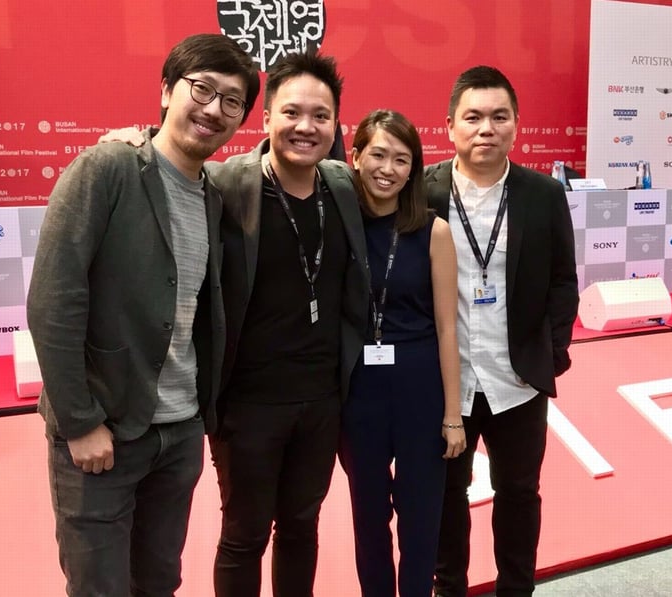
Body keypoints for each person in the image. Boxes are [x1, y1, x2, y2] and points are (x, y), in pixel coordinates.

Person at [26, 34, 260, 596]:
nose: (213, 109)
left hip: (179, 435)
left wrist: (198, 420)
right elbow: (53, 301)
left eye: (232, 101)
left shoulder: (212, 197)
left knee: (158, 582)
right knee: (100, 587)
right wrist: (80, 421)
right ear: (166, 91)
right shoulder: (107, 168)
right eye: (201, 89)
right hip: (104, 432)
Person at [206, 51, 369, 597]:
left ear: (335, 124)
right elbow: (163, 162)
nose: (306, 127)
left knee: (302, 527)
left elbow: (414, 176)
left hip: (323, 400)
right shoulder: (226, 185)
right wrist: (130, 139)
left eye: (321, 116)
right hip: (249, 404)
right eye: (293, 112)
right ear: (267, 116)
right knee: (245, 534)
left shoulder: (345, 187)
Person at [424, 66, 579, 597]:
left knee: (519, 492)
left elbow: (564, 281)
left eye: (498, 116)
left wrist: (551, 354)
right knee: (447, 493)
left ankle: (517, 588)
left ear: (516, 125)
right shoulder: (422, 192)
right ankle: (450, 588)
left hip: (518, 380)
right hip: (448, 381)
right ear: (449, 126)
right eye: (473, 117)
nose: (485, 127)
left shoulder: (542, 195)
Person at [338, 109, 466, 597]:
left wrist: (453, 415)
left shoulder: (432, 231)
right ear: (355, 156)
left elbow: (448, 327)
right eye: (377, 155)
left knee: (420, 518)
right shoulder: (339, 223)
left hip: (419, 388)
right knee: (368, 518)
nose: (387, 168)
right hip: (359, 394)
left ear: (414, 168)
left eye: (401, 159)